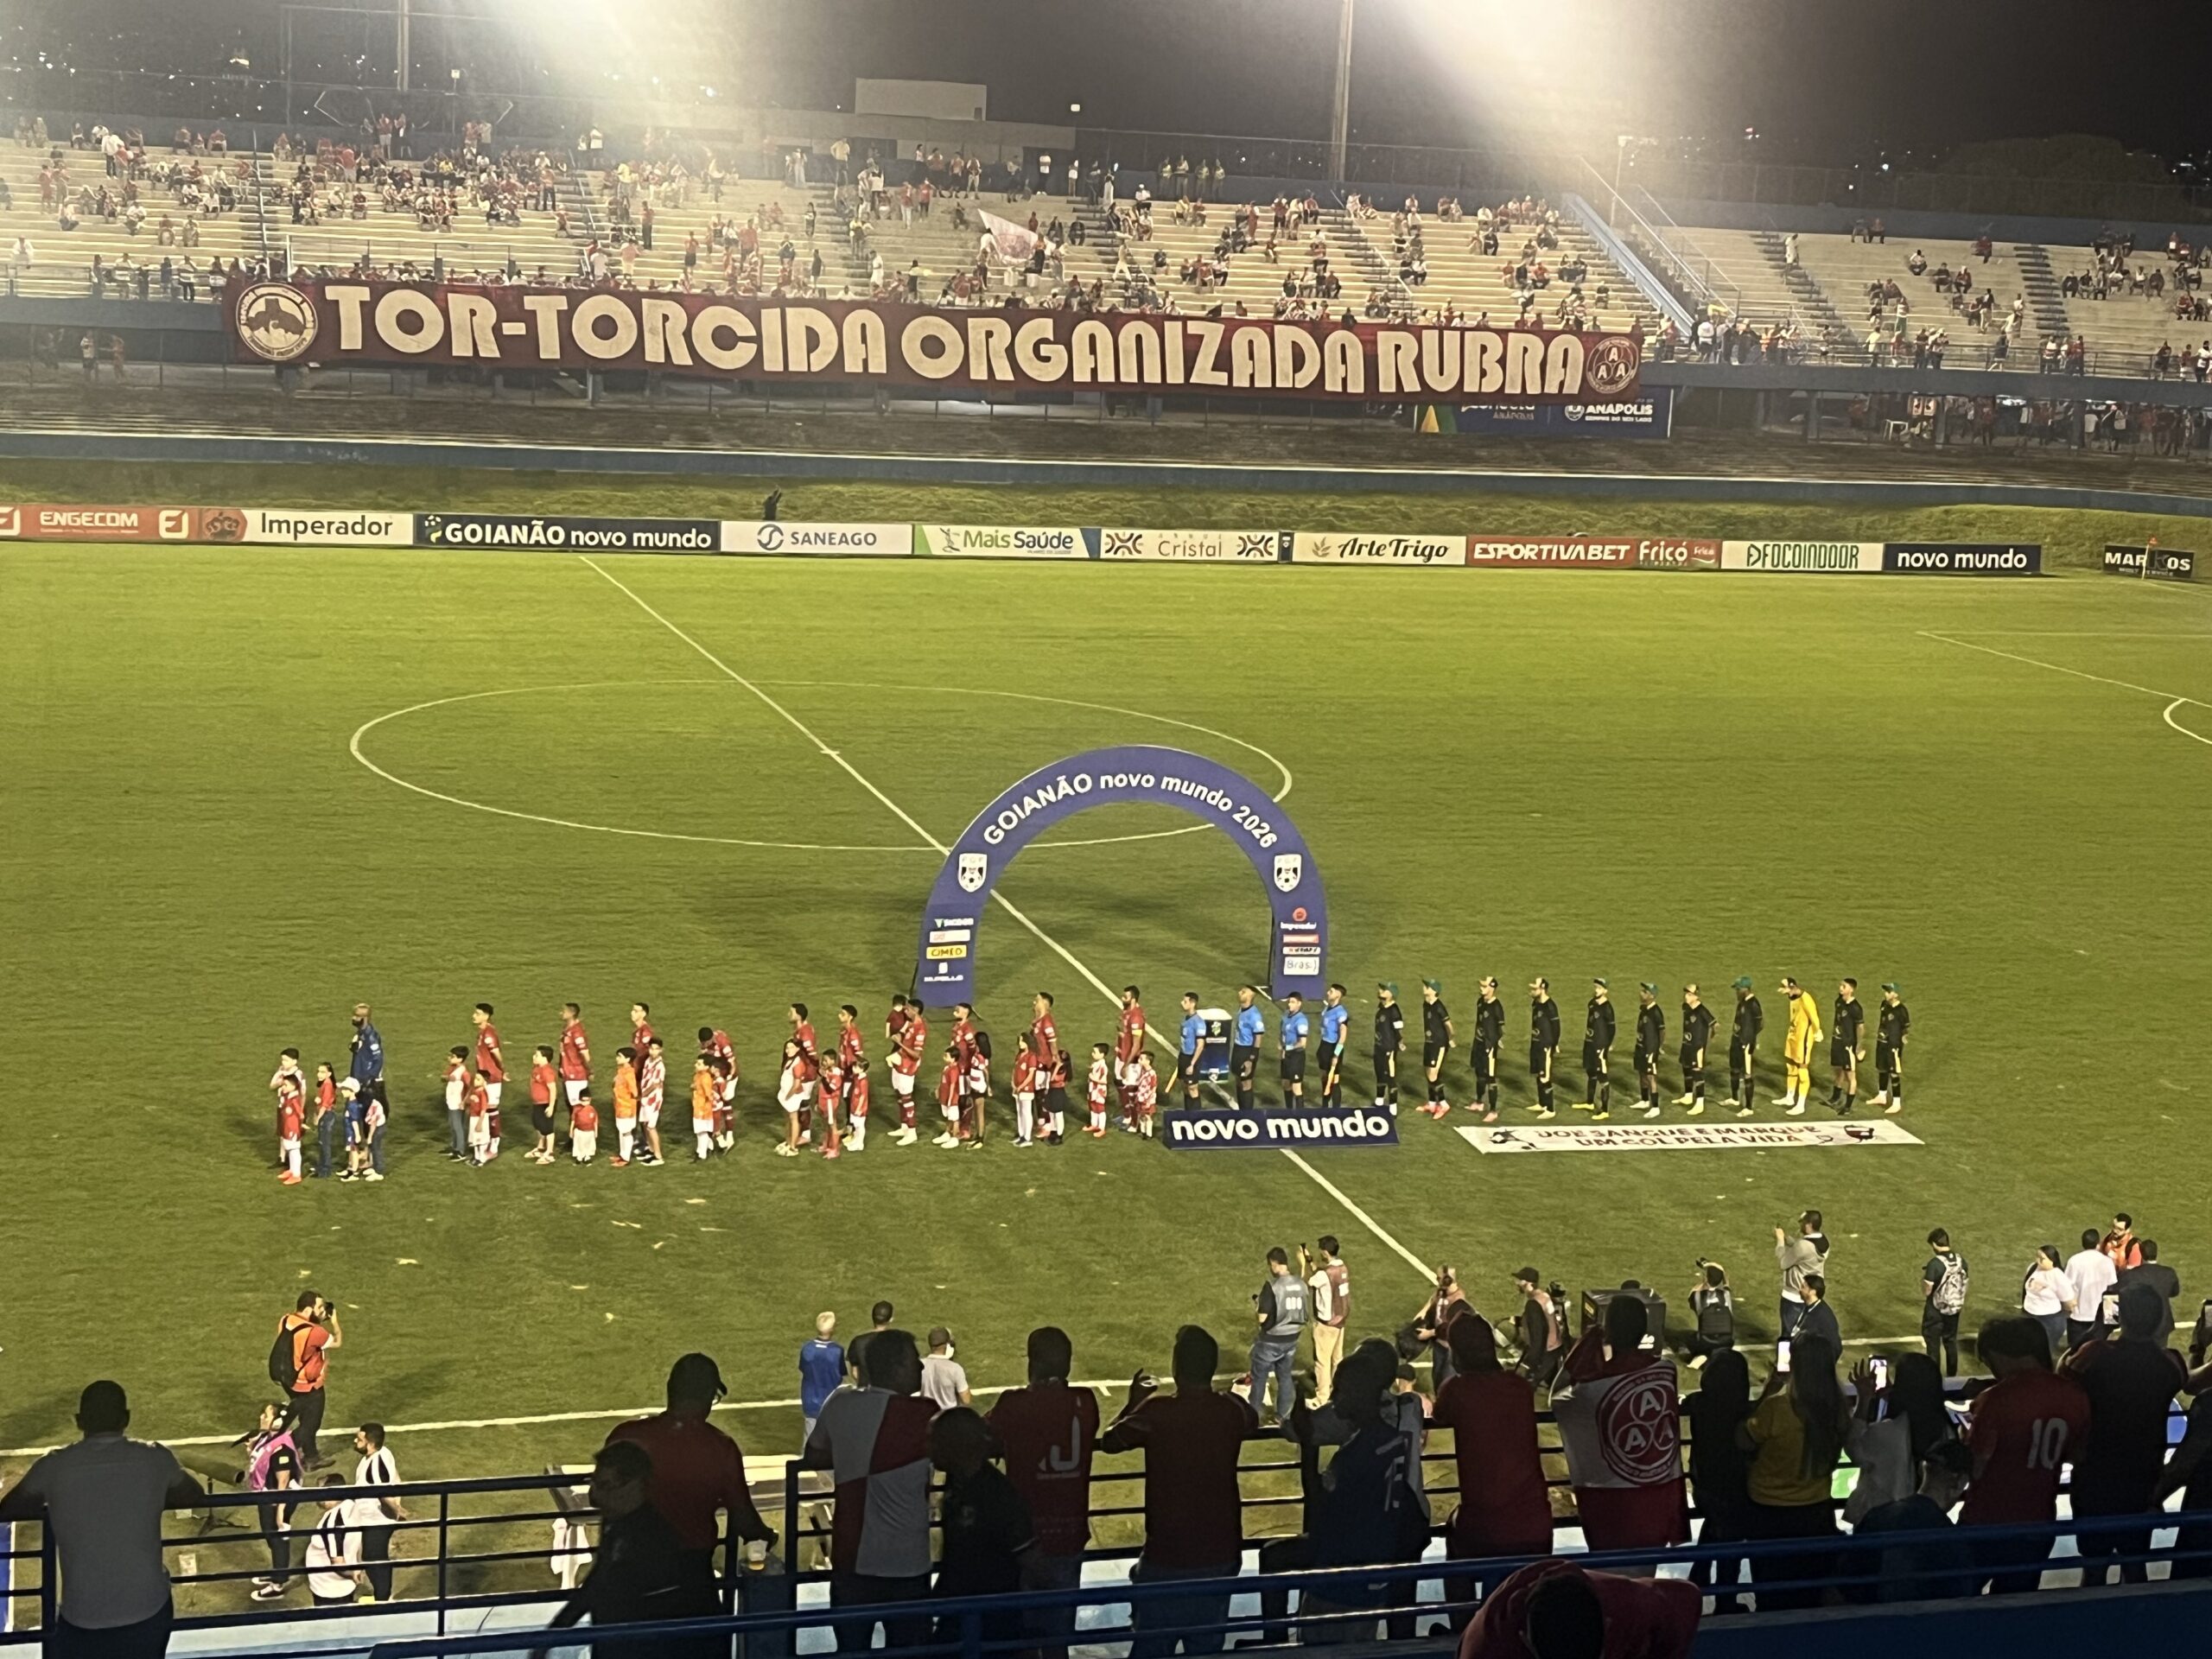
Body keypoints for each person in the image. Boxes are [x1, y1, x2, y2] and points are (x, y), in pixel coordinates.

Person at [0, 1381, 202, 1659]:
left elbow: (10, 1508)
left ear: (79, 1421)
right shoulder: (155, 1458)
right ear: (126, 1418)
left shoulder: (54, 1465)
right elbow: (193, 1496)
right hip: (148, 1609)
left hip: (83, 1615)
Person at [1098, 1325, 1258, 1659]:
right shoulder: (1231, 1409)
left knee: (1152, 1646)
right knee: (1206, 1647)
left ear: (1176, 1367)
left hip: (1168, 1554)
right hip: (1220, 1551)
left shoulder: (1157, 1413)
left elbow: (1111, 1441)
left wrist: (1134, 1403)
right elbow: (1251, 1419)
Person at [804, 1330, 938, 1655]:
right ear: (895, 1367)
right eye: (913, 1361)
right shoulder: (925, 1413)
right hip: (907, 1566)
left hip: (852, 1562)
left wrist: (854, 1456)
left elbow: (814, 1455)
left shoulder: (840, 1406)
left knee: (851, 1650)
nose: (921, 1367)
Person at [535, 1441, 721, 1659]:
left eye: (605, 1485)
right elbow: (599, 1582)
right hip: (622, 1639)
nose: (594, 1496)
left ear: (633, 1485)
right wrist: (556, 1630)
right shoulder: (618, 1521)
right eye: (594, 1483)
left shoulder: (652, 1537)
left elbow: (607, 1588)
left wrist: (555, 1632)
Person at [2062, 1283, 2188, 1585]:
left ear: (2121, 1316)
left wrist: (2096, 1332)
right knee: (2135, 1563)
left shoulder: (2096, 1353)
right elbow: (2189, 1382)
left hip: (2096, 1474)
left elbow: (2063, 1372)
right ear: (2159, 1320)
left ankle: (2094, 1625)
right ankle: (2136, 1625)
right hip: (2143, 1477)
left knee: (2093, 1567)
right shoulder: (2170, 1362)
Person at [987, 1326, 1099, 1659]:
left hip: (1025, 1540)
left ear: (1031, 1362)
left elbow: (978, 1433)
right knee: (1057, 1637)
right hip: (1069, 1536)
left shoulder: (1014, 1404)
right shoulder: (1086, 1402)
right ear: (1067, 1364)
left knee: (1021, 1635)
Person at [605, 1354, 776, 1570]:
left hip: (627, 1566)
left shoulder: (624, 1436)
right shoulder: (720, 1448)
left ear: (670, 1389)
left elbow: (600, 1497)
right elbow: (742, 1515)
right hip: (689, 1571)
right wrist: (765, 1536)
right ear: (706, 1397)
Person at [1960, 1315, 2087, 1592]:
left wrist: (1965, 1438)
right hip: (2038, 1520)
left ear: (1998, 1355)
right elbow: (2077, 1454)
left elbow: (1977, 1466)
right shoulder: (2074, 1395)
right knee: (2016, 1606)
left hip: (1987, 1520)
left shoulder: (1996, 1400)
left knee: (1961, 1600)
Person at [1552, 1295, 1688, 1553]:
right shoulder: (1666, 1373)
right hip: (1657, 1498)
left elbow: (1556, 1399)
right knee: (1645, 1579)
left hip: (1611, 1506)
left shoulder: (1591, 1390)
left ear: (1608, 1331)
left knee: (1611, 1580)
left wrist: (1581, 1350)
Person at [1431, 1318, 1550, 1609]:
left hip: (1485, 1525)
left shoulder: (1457, 1389)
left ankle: (1463, 1631)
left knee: (1455, 1559)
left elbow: (1439, 1415)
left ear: (1458, 1354)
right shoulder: (1520, 1387)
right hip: (1536, 1521)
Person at [1738, 1332, 1848, 1609]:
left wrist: (1767, 1392)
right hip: (1816, 1512)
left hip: (1769, 1514)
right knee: (1811, 1593)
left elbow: (1742, 1439)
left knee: (1772, 1594)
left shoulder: (1776, 1408)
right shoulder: (1838, 1410)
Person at [928, 1408, 1034, 1646]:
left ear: (957, 1444)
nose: (929, 1449)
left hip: (993, 1618)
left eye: (936, 1441)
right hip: (960, 1610)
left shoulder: (998, 1495)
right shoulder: (957, 1483)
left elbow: (1029, 1560)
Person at [1455, 1559, 1700, 1659]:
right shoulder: (1484, 1648)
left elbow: (1689, 1597)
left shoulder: (1634, 1607)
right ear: (1526, 1642)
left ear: (1608, 1625)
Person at [1852, 1440, 1976, 1602]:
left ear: (1921, 1470)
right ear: (1961, 1482)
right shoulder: (1950, 1539)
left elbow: (1847, 1582)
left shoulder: (1877, 1516)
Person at [1842, 1352, 1953, 1529]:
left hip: (1880, 1526)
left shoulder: (1887, 1433)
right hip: (1924, 1526)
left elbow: (1854, 1448)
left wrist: (1864, 1399)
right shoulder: (1947, 1433)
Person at [1682, 1351, 1753, 1613]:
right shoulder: (1742, 1411)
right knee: (1730, 1540)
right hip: (1734, 1489)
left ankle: (1699, 1575)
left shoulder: (1699, 1404)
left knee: (1716, 1525)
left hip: (1705, 1487)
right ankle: (1724, 1599)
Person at [241, 1401, 302, 1600]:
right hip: (268, 1496)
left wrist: (280, 1513)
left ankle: (278, 1584)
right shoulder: (268, 1437)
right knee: (270, 1536)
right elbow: (259, 1463)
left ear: (277, 1421)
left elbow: (283, 1481)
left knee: (278, 1539)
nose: (261, 1417)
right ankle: (277, 1572)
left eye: (266, 1415)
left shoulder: (281, 1448)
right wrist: (251, 1450)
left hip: (279, 1499)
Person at [276, 1292, 340, 1465]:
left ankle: (311, 1457)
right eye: (319, 1307)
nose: (322, 1310)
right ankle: (280, 1451)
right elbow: (337, 1342)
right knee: (311, 1424)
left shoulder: (286, 1320)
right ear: (307, 1309)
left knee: (306, 1417)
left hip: (289, 1380)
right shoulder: (315, 1332)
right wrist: (334, 1322)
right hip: (309, 1385)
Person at [1251, 1247, 1309, 1427]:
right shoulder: (1301, 1283)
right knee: (1285, 1376)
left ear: (1275, 1264)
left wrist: (1256, 1307)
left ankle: (1255, 1416)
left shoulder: (1273, 1286)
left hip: (1271, 1340)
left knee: (1259, 1376)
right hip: (1292, 1338)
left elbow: (1262, 1319)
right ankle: (1283, 1416)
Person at [350, 1424, 405, 1603]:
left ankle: (383, 1598)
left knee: (374, 1559)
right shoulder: (383, 1453)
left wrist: (397, 1511)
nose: (355, 1441)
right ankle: (383, 1594)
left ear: (371, 1443)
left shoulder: (375, 1466)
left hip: (377, 1521)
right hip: (376, 1519)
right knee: (374, 1557)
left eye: (359, 1439)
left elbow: (384, 1493)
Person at [302, 1476, 364, 1606]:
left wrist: (354, 1576)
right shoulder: (352, 1505)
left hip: (329, 1588)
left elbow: (337, 1563)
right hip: (342, 1584)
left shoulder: (332, 1523)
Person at [1301, 1239, 1350, 1403]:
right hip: (1340, 1321)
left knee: (1322, 1362)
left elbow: (1307, 1282)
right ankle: (1338, 1391)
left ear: (1325, 1252)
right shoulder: (1342, 1268)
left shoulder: (1324, 1275)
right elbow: (1324, 1276)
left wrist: (1303, 1264)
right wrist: (1311, 1262)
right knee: (1337, 1359)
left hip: (1326, 1324)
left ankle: (1322, 1398)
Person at [1775, 1211, 1828, 1344]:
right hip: (1812, 1295)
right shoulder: (1823, 1242)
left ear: (1809, 1225)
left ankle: (1783, 1363)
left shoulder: (1803, 1246)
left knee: (1788, 1335)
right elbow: (1803, 1249)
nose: (1801, 1225)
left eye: (1803, 1222)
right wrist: (1789, 1239)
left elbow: (1782, 1262)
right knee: (1806, 1333)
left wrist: (1780, 1240)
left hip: (1794, 1295)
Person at [1922, 1229, 1969, 1375]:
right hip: (1954, 1309)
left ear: (1935, 1245)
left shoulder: (1935, 1264)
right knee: (1950, 1342)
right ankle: (1952, 1377)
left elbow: (1927, 1290)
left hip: (1936, 1310)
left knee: (1933, 1345)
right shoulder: (1962, 1261)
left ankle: (1933, 1376)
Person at [2116, 1239, 2181, 1342]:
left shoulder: (2130, 1275)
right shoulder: (2169, 1273)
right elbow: (2174, 1292)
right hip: (2162, 1323)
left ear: (2141, 1254)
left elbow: (2117, 1293)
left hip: (2137, 1323)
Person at [2063, 1228, 2119, 1349]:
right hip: (2100, 1318)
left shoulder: (2074, 1261)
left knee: (2075, 1352)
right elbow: (2112, 1287)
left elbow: (2066, 1286)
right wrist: (2111, 1317)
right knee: (2096, 1353)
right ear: (2098, 1244)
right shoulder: (2107, 1261)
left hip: (2078, 1315)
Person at [1775, 976, 1821, 1114]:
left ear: (1793, 986)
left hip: (1803, 1039)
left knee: (1802, 1069)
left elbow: (1814, 1017)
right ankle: (1789, 1097)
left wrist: (1818, 1031)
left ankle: (1800, 1105)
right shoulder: (1793, 998)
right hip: (1793, 1036)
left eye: (1785, 988)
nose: (1783, 991)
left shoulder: (1805, 999)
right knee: (1790, 1065)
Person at [1510, 1268, 1563, 1386]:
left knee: (1523, 1386)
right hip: (1555, 1349)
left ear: (1528, 1283)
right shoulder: (1543, 1296)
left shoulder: (1533, 1305)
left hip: (1545, 1353)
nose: (1516, 1283)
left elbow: (1538, 1336)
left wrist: (1529, 1363)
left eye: (1520, 1280)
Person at [2020, 1244, 2076, 1356]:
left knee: (2044, 1351)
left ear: (2052, 1260)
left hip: (2049, 1320)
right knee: (2027, 1349)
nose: (2039, 1260)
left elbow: (2069, 1302)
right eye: (2038, 1257)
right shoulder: (2032, 1268)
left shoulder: (2058, 1276)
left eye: (2043, 1258)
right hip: (2029, 1316)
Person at [799, 1313, 844, 1443]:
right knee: (832, 1440)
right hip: (831, 1401)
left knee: (809, 1439)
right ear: (831, 1329)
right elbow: (840, 1374)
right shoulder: (837, 1351)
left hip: (810, 1400)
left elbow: (804, 1369)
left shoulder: (807, 1349)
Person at [1578, 979, 1616, 1120]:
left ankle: (1605, 1110)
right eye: (1595, 987)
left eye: (1599, 988)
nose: (1596, 990)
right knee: (1591, 1072)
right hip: (1589, 1043)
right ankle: (1589, 1103)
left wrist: (1607, 1045)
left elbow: (1612, 1028)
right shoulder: (1592, 1003)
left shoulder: (1607, 1008)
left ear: (1605, 990)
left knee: (1602, 1076)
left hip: (1600, 1046)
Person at [1827, 977, 1866, 1114]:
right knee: (1838, 1071)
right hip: (1837, 1042)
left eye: (1844, 986)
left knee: (1850, 1076)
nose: (1841, 988)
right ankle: (1835, 1097)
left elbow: (1860, 1028)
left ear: (1851, 989)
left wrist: (1858, 1046)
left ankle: (1848, 1107)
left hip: (1848, 1046)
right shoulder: (1839, 1002)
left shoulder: (1856, 1008)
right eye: (1841, 986)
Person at [1869, 982, 1909, 1114]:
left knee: (1893, 1072)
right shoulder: (1884, 1005)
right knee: (1882, 1069)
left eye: (1888, 992)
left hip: (1893, 1046)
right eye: (1885, 991)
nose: (1886, 994)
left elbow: (1905, 1029)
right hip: (1882, 1042)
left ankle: (1896, 1102)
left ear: (1896, 994)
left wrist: (1899, 1044)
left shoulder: (1901, 1010)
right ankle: (1882, 1096)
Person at [1417, 979, 1455, 1116]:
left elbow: (1448, 1025)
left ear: (1434, 991)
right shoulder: (1426, 1004)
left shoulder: (1439, 1006)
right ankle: (1432, 1103)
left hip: (1439, 1044)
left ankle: (1444, 1104)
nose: (1424, 987)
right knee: (1428, 1072)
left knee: (1433, 1074)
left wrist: (1450, 1039)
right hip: (1429, 1043)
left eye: (1427, 986)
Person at [1674, 983, 1713, 1116]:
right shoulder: (1685, 1008)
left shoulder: (1702, 1011)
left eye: (1690, 994)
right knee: (1686, 1069)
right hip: (1686, 1045)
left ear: (1697, 996)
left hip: (1697, 1047)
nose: (1686, 997)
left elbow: (1715, 1025)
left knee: (1697, 1073)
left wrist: (1705, 1041)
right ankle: (1688, 1095)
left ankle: (1700, 1103)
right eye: (1686, 994)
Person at [1728, 976, 1763, 1117]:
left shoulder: (1753, 1004)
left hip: (1746, 1043)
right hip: (1736, 1041)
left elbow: (1760, 1024)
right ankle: (1734, 1098)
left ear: (1745, 989)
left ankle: (1748, 1107)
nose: (1736, 992)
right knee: (1734, 1069)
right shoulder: (1742, 1002)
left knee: (1747, 1073)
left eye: (1738, 989)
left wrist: (1750, 1038)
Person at [1526, 978, 1560, 1119]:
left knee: (1545, 1076)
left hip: (1545, 1045)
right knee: (1538, 1074)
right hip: (1536, 1044)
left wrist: (1555, 1044)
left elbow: (1556, 1027)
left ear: (1543, 988)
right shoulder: (1536, 1004)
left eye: (1535, 989)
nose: (1532, 992)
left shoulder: (1550, 1006)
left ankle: (1550, 1109)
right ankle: (1542, 1103)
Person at [1686, 1263, 1734, 1363]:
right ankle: (1719, 1354)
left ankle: (1703, 1355)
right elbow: (1726, 1284)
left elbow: (1694, 1293)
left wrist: (1704, 1281)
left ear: (1706, 1278)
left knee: (1689, 1338)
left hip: (1706, 1343)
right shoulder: (1726, 1295)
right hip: (1726, 1343)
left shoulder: (1698, 1296)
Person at [1471, 977, 1504, 1122]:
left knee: (1490, 1077)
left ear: (1492, 988)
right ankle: (1479, 1102)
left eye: (1484, 986)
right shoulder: (1480, 1002)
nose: (1481, 988)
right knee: (1479, 1073)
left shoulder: (1497, 1007)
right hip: (1478, 1044)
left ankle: (1493, 1110)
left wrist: (1494, 1042)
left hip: (1489, 1046)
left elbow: (1500, 1028)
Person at [1630, 984, 1664, 1118]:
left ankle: (1655, 1107)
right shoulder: (1644, 1010)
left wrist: (1658, 1047)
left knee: (1651, 1077)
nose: (1641, 993)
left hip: (1650, 1049)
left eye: (1645, 992)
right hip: (1640, 1047)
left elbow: (1662, 1031)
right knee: (1642, 1073)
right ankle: (1644, 1101)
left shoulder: (1656, 1012)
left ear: (1652, 996)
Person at [1371, 982, 1404, 1114]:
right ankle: (1379, 1100)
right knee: (1379, 1073)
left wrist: (1400, 1042)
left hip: (1388, 1048)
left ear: (1391, 994)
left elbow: (1399, 1030)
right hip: (1378, 1047)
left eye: (1384, 990)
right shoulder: (1381, 1007)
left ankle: (1393, 1107)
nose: (1380, 991)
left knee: (1390, 1076)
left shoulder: (1394, 1011)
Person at [1230, 985, 1263, 1112]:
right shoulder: (1241, 1010)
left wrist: (1251, 1059)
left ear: (1251, 996)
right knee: (1239, 1080)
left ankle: (1248, 1116)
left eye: (1243, 992)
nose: (1240, 993)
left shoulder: (1254, 1015)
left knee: (1246, 1083)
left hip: (1248, 1051)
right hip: (1238, 1049)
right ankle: (1241, 1111)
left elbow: (1259, 1037)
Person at [921, 1327, 972, 1409]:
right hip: (948, 1418)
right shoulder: (955, 1369)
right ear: (948, 1345)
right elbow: (966, 1400)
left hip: (927, 1417)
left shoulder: (920, 1365)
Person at [1318, 983, 1350, 1107]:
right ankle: (1325, 1106)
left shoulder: (1341, 1013)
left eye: (1331, 991)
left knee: (1334, 1080)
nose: (1327, 993)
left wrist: (1336, 1054)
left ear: (1338, 995)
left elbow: (1343, 1034)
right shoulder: (1327, 1008)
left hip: (1333, 1048)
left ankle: (1336, 1109)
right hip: (1324, 1046)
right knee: (1324, 1078)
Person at [1276, 992, 1310, 1109]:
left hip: (1296, 1057)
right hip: (1286, 1055)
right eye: (1289, 1001)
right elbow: (1282, 1032)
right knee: (1286, 1084)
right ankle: (1289, 1111)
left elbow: (1302, 1043)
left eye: (1293, 1002)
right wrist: (1280, 1044)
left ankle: (1300, 1116)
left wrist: (1287, 1048)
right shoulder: (1285, 1015)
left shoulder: (1301, 1020)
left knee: (1296, 1088)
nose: (1289, 1004)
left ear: (1299, 1004)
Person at [1795, 1274, 1840, 1351]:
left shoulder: (1819, 1316)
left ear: (1812, 1292)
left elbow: (1834, 1346)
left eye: (1803, 1287)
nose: (1800, 1290)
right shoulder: (1812, 1306)